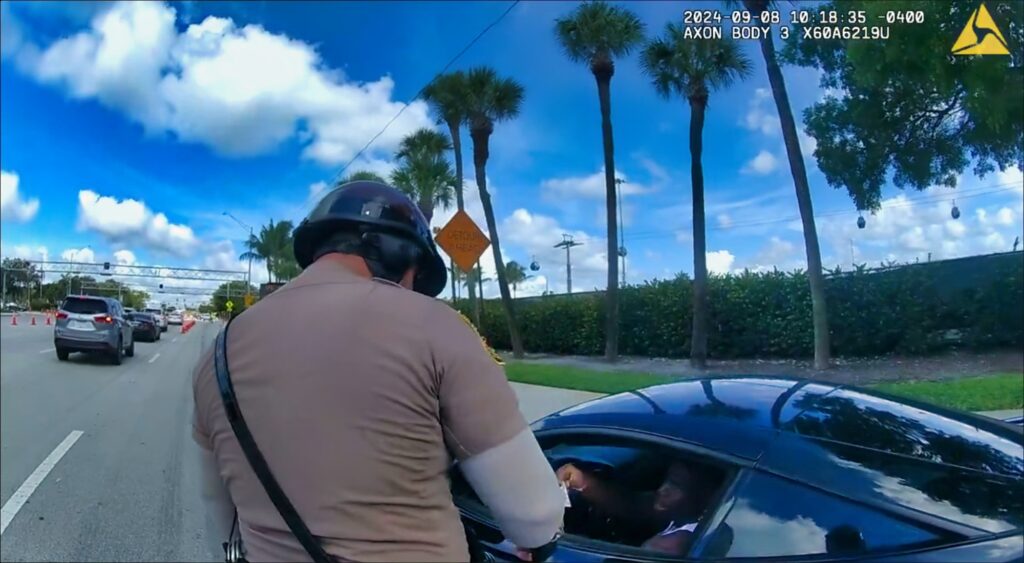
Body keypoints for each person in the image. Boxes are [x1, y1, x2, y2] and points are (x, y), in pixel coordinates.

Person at [193, 181, 564, 562]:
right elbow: (534, 518)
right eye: (415, 279)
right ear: (398, 253)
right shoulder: (433, 325)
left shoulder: (217, 354)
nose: (411, 291)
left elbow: (219, 512)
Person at [556, 460, 717, 555]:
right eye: (667, 480)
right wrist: (583, 482)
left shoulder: (671, 544)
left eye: (676, 485)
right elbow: (631, 504)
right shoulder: (687, 514)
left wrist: (571, 544)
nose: (662, 490)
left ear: (701, 497)